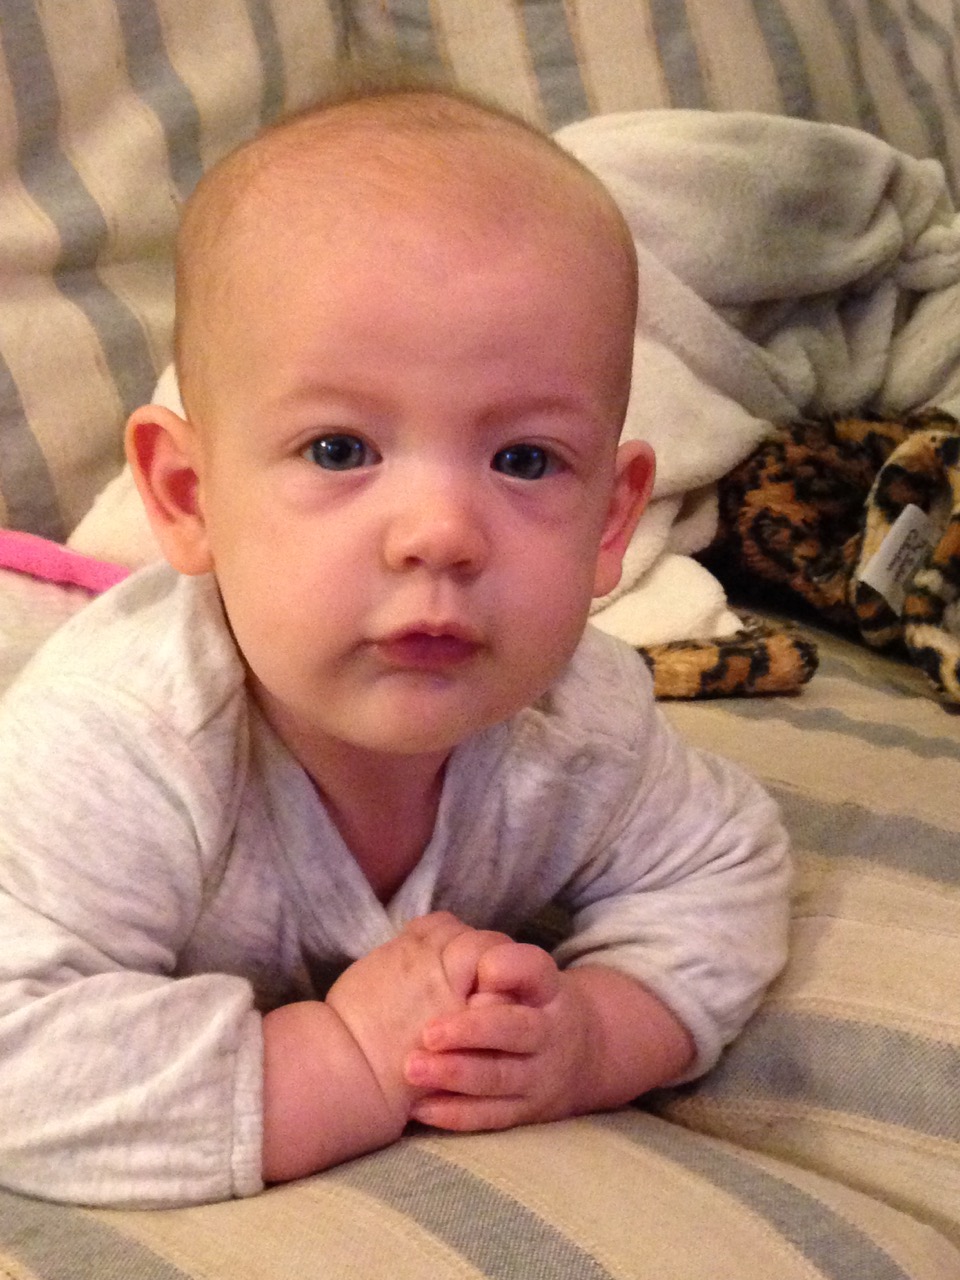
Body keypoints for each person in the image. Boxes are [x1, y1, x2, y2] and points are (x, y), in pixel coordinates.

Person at [0, 77, 790, 1208]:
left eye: (525, 461)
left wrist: (599, 1036)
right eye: (339, 450)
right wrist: (343, 1061)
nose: (440, 534)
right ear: (188, 495)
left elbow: (724, 864)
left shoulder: (577, 717)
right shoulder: (121, 744)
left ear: (611, 523)